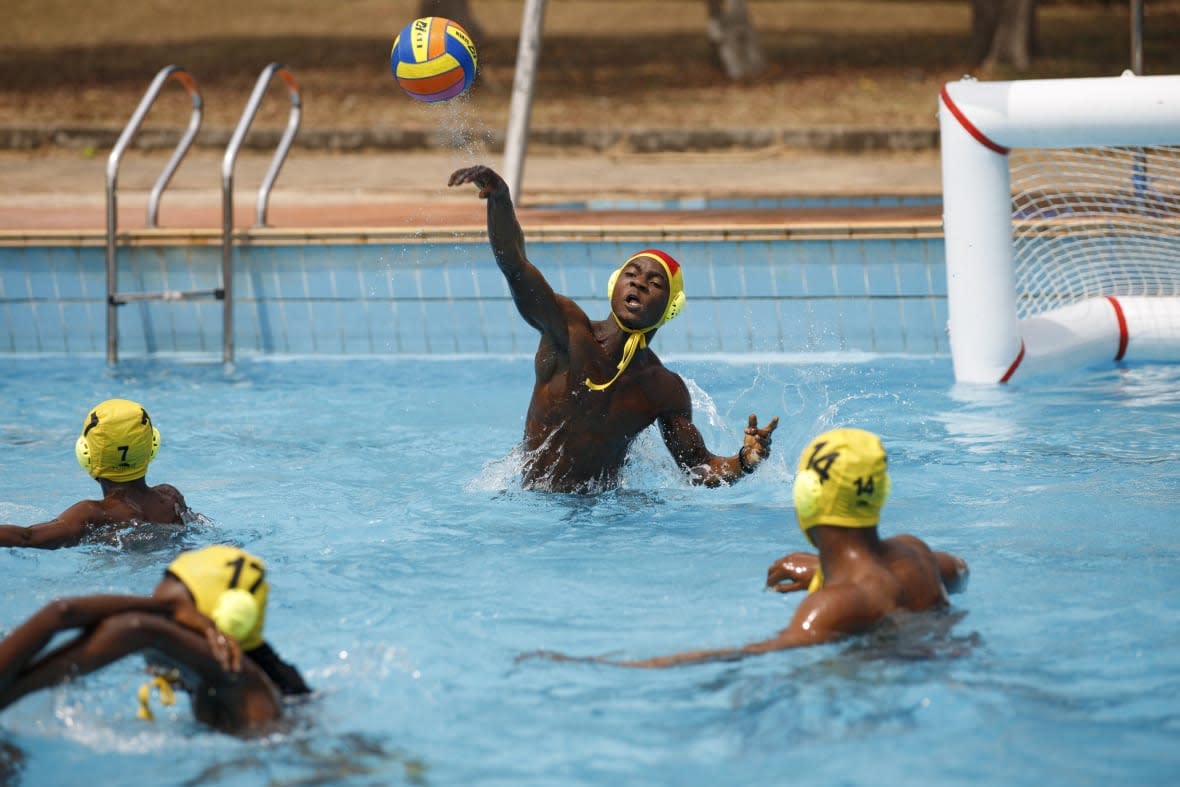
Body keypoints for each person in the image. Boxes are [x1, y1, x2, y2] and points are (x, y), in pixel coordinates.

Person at [448, 165, 779, 493]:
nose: (639, 282)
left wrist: (745, 460)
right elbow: (515, 265)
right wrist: (500, 200)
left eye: (655, 283)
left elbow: (697, 468)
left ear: (670, 308)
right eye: (631, 274)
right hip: (533, 503)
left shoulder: (662, 389)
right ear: (614, 285)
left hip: (606, 518)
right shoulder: (569, 331)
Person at [523, 428, 969, 668]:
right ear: (879, 493)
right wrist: (823, 570)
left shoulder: (834, 606)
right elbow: (958, 570)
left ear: (807, 497)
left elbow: (751, 655)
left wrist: (605, 666)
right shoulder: (917, 554)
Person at [0, 545, 308, 735]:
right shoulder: (247, 675)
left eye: (171, 614)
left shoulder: (232, 670)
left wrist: (11, 695)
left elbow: (126, 627)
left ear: (209, 622)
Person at [0, 398, 190, 549]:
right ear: (151, 449)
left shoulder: (92, 514)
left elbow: (28, 537)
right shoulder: (170, 498)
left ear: (86, 454)